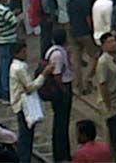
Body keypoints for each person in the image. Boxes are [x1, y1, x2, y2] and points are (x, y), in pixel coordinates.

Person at [10, 40, 53, 163]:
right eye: (23, 51)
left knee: (27, 135)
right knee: (25, 136)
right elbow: (30, 87)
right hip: (22, 105)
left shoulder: (18, 66)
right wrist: (43, 75)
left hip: (21, 103)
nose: (26, 53)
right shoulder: (19, 68)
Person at [46, 27, 74, 162]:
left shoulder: (59, 52)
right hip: (61, 89)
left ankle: (65, 152)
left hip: (63, 86)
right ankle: (60, 154)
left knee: (63, 123)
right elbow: (57, 75)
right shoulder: (57, 54)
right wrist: (64, 91)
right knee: (61, 123)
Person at [96, 32, 116, 160]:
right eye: (110, 42)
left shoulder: (115, 58)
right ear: (103, 45)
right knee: (109, 134)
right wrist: (108, 105)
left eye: (114, 41)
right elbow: (102, 84)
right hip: (108, 101)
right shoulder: (103, 62)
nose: (113, 44)